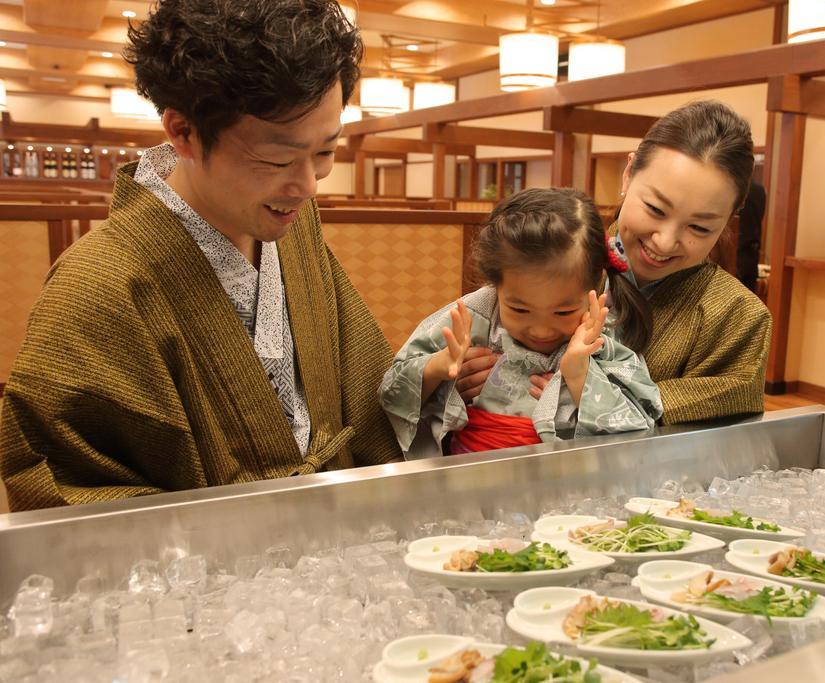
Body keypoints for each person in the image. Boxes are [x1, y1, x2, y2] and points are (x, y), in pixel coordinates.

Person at [0, 0, 399, 511]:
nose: (306, 185)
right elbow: (68, 489)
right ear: (183, 132)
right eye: (276, 159)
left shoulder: (291, 229)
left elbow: (359, 382)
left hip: (333, 537)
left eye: (324, 152)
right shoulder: (98, 287)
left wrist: (424, 382)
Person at [457, 101, 771, 425]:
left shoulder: (738, 315)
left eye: (699, 228)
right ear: (628, 174)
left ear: (730, 218)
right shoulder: (567, 256)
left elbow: (723, 414)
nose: (664, 240)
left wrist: (584, 396)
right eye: (656, 209)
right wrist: (461, 377)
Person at [379, 188, 663, 458]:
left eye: (563, 312)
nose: (541, 330)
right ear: (495, 285)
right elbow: (391, 392)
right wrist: (437, 368)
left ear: (593, 286)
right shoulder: (472, 317)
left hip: (566, 482)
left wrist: (580, 376)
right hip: (465, 474)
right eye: (519, 309)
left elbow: (640, 432)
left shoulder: (601, 333)